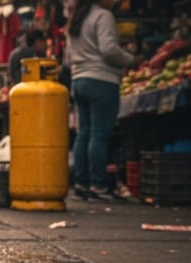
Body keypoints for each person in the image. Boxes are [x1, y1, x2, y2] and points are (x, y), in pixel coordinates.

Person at [66, 0, 137, 201]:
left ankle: (81, 184)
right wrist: (131, 60)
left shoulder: (75, 20)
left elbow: (68, 59)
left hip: (79, 81)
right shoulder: (103, 16)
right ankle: (98, 185)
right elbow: (109, 50)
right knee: (99, 134)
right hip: (101, 80)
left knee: (84, 134)